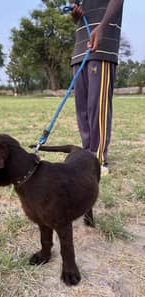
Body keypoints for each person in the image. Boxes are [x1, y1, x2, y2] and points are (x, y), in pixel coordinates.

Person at [70, 0, 124, 176]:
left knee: (97, 106)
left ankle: (99, 159)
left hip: (102, 45)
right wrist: (75, 12)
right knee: (82, 108)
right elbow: (75, 14)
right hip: (79, 49)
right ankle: (87, 154)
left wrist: (101, 28)